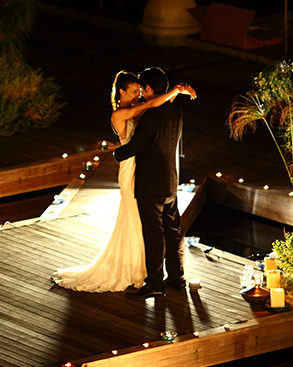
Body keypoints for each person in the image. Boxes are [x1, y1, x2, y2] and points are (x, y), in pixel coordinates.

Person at [52, 70, 194, 292]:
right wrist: (175, 91)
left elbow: (153, 106)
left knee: (150, 226)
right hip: (136, 170)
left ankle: (150, 274)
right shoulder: (121, 114)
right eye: (134, 91)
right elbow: (150, 106)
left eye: (140, 90)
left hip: (147, 170)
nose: (138, 94)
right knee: (145, 222)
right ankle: (146, 271)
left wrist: (175, 91)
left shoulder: (152, 109)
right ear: (121, 92)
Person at [113, 67, 190, 300]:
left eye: (141, 89)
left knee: (154, 234)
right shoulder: (175, 111)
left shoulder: (150, 116)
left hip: (149, 184)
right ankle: (177, 279)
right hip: (170, 182)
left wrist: (117, 154)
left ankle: (156, 283)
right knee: (173, 230)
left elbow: (137, 147)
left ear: (147, 89)